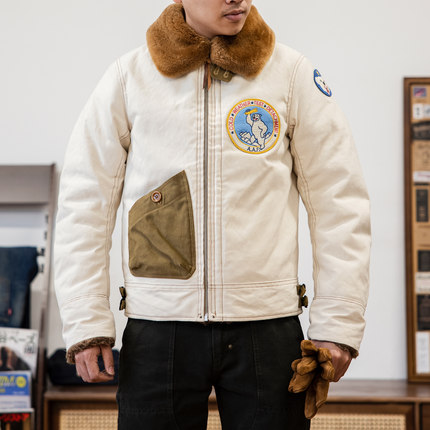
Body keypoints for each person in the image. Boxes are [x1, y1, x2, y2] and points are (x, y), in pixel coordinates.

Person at [54, 0, 371, 429]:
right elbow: (84, 203)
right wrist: (85, 321)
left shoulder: (291, 74)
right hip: (159, 330)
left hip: (267, 329)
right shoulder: (129, 79)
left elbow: (340, 202)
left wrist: (339, 324)